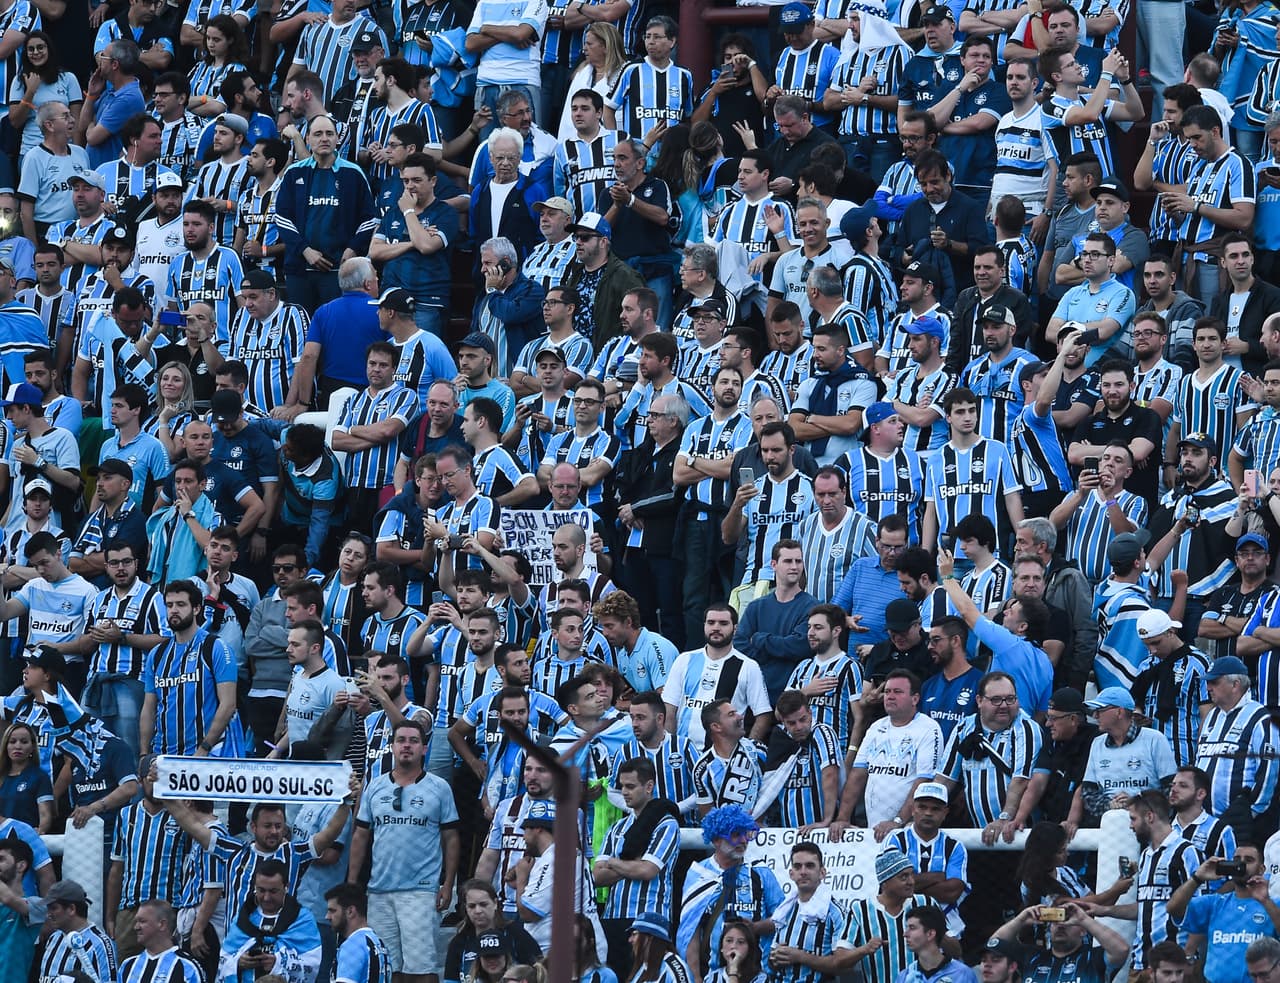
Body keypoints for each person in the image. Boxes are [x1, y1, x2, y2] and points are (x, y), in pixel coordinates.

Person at [349, 720, 459, 983]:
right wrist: (353, 884)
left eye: (413, 741)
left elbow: (451, 837)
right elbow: (361, 835)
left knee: (422, 970)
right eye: (401, 740)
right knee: (387, 969)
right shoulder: (374, 786)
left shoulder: (439, 788)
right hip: (379, 891)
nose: (407, 746)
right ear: (392, 747)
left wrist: (448, 883)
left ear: (424, 748)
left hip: (420, 891)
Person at [594, 757, 681, 978]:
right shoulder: (617, 828)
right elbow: (597, 876)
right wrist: (631, 863)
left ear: (649, 786)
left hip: (651, 920)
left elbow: (647, 871)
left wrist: (613, 862)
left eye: (630, 786)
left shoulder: (667, 825)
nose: (624, 792)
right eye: (622, 786)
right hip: (614, 917)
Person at [831, 669, 943, 838]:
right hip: (873, 829)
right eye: (887, 691)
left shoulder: (928, 728)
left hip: (907, 830)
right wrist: (843, 818)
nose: (890, 696)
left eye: (897, 692)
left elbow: (924, 781)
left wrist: (898, 821)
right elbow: (857, 775)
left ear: (915, 699)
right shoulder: (876, 727)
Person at [117, 900, 202, 983]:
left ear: (162, 924)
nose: (136, 927)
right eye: (136, 922)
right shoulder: (128, 965)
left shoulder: (186, 967)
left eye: (142, 921)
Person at [325, 883, 392, 983]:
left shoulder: (352, 946)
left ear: (350, 911)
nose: (327, 917)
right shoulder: (379, 943)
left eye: (332, 911)